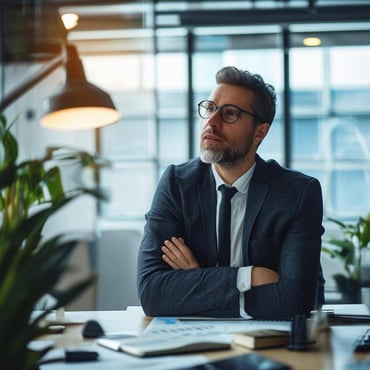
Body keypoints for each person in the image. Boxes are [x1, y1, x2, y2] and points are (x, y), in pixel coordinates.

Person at [137, 66, 325, 319]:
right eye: (210, 108)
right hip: (192, 341)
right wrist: (248, 276)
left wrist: (195, 277)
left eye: (230, 114)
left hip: (270, 345)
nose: (212, 122)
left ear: (260, 132)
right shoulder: (176, 184)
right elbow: (152, 293)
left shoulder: (297, 193)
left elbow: (295, 299)